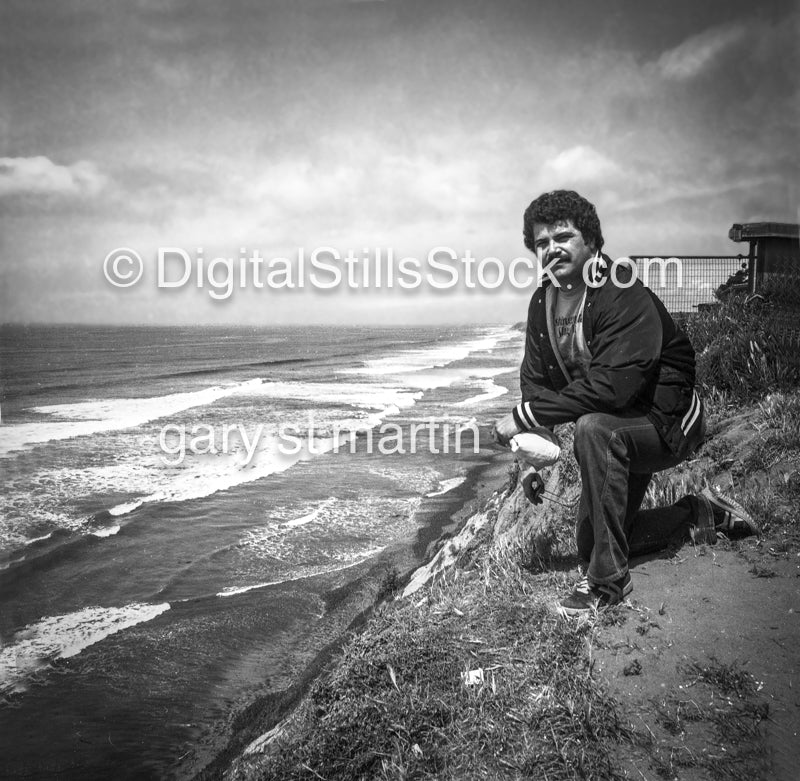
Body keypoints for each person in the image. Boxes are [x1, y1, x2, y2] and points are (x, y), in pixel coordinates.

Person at [493, 190, 759, 617]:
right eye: (541, 242)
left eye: (563, 236)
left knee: (593, 428)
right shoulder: (543, 303)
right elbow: (536, 384)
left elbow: (612, 388)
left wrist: (521, 418)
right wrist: (530, 459)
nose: (551, 248)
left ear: (592, 242)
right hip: (612, 430)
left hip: (665, 425)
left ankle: (606, 584)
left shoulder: (621, 291)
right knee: (590, 543)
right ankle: (699, 514)